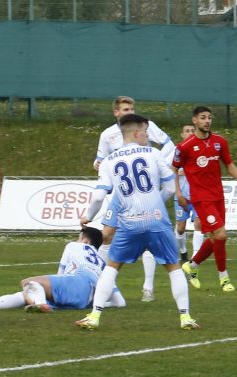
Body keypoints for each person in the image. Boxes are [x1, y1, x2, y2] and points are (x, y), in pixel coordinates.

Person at [77, 113, 198, 330]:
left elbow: (97, 196)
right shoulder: (154, 154)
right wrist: (155, 202)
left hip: (129, 222)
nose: (147, 135)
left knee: (112, 267)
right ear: (136, 132)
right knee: (174, 267)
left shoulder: (109, 161)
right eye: (145, 131)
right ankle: (185, 317)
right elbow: (170, 187)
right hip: (156, 221)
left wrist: (88, 216)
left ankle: (94, 316)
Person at [93, 96, 176, 303]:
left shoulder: (146, 127)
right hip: (118, 195)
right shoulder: (107, 135)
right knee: (106, 235)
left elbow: (169, 144)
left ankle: (147, 286)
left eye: (131, 108)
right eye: (125, 109)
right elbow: (100, 159)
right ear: (116, 113)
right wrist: (99, 164)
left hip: (144, 191)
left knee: (148, 234)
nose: (129, 111)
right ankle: (98, 282)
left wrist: (157, 162)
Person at [173, 106, 237, 292]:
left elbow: (229, 164)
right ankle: (223, 278)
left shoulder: (219, 142)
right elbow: (174, 169)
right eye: (203, 118)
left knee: (215, 237)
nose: (207, 121)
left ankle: (192, 266)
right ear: (195, 121)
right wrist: (178, 192)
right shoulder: (184, 147)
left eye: (209, 118)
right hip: (201, 198)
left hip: (217, 195)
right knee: (221, 235)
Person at [0, 227, 126, 312]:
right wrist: (97, 303)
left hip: (75, 282)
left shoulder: (73, 246)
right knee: (26, 294)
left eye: (79, 237)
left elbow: (61, 274)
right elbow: (120, 303)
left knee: (29, 282)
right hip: (84, 301)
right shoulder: (103, 263)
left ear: (85, 240)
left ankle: (40, 304)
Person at [171, 124, 204, 262]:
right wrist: (181, 171)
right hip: (182, 195)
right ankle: (183, 250)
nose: (190, 133)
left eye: (192, 131)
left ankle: (196, 256)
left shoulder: (201, 149)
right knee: (180, 228)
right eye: (187, 131)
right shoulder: (176, 150)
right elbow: (170, 170)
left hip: (198, 195)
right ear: (182, 134)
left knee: (199, 223)